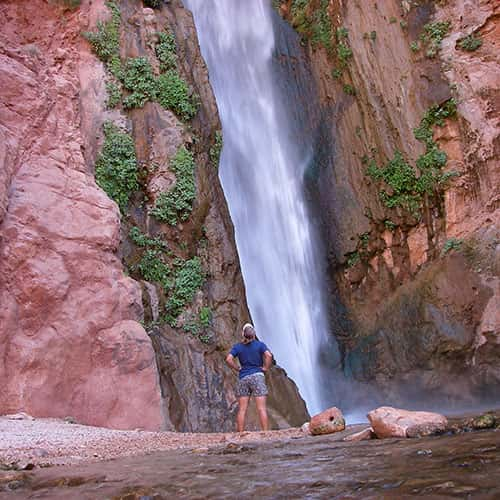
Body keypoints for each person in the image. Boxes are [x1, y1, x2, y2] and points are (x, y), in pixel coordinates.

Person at [226, 323, 273, 432]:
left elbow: (228, 359)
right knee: (261, 408)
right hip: (257, 376)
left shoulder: (238, 347)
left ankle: (241, 433)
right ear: (254, 333)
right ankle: (265, 432)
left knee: (242, 409)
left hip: (243, 377)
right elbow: (269, 355)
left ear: (243, 334)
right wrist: (265, 367)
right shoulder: (260, 345)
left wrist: (237, 368)